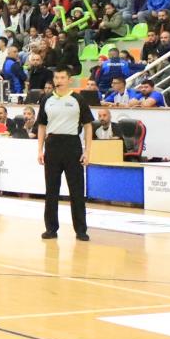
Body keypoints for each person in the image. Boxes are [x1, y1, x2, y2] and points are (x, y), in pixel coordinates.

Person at [36, 67, 97, 241]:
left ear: (69, 80)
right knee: (51, 190)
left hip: (72, 145)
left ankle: (81, 230)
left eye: (62, 77)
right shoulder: (47, 99)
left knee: (76, 191)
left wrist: (87, 151)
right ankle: (51, 228)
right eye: (56, 77)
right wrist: (40, 149)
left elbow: (87, 125)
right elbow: (41, 125)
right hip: (53, 145)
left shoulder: (78, 99)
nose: (59, 80)